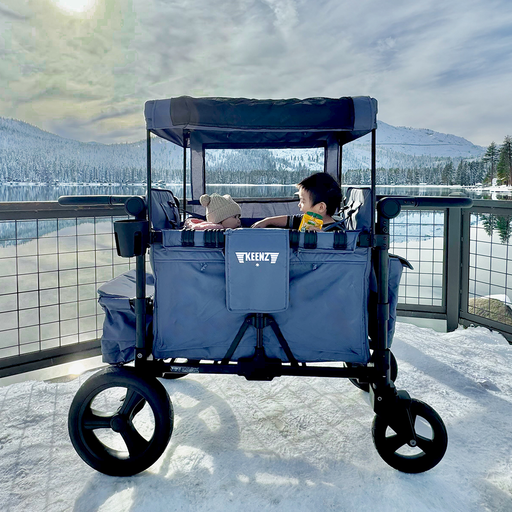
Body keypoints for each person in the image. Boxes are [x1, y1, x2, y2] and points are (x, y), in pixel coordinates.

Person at [251, 172, 343, 231]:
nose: (299, 205)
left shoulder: (337, 232)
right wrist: (267, 221)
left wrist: (322, 237)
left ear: (321, 207)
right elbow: (288, 219)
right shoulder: (306, 220)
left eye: (303, 201)